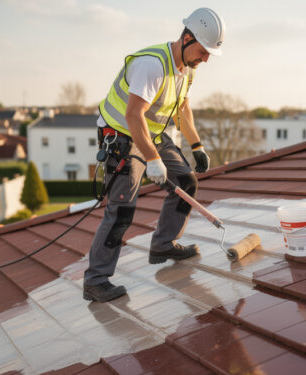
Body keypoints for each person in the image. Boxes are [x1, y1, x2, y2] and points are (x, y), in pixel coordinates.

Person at [84, 7, 225, 302]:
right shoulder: (152, 65)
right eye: (203, 51)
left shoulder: (187, 69)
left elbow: (182, 107)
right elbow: (133, 115)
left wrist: (196, 145)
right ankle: (95, 280)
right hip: (120, 135)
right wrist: (152, 158)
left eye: (209, 54)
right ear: (187, 38)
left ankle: (163, 244)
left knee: (186, 181)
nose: (206, 59)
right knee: (122, 209)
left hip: (152, 135)